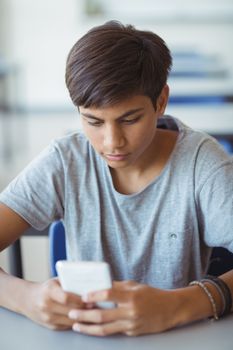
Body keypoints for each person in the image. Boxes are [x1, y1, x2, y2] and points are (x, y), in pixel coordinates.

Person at [0, 20, 233, 337]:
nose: (112, 142)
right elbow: (22, 296)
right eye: (93, 121)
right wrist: (23, 296)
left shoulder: (201, 165)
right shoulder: (65, 160)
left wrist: (181, 305)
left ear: (161, 101)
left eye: (130, 119)